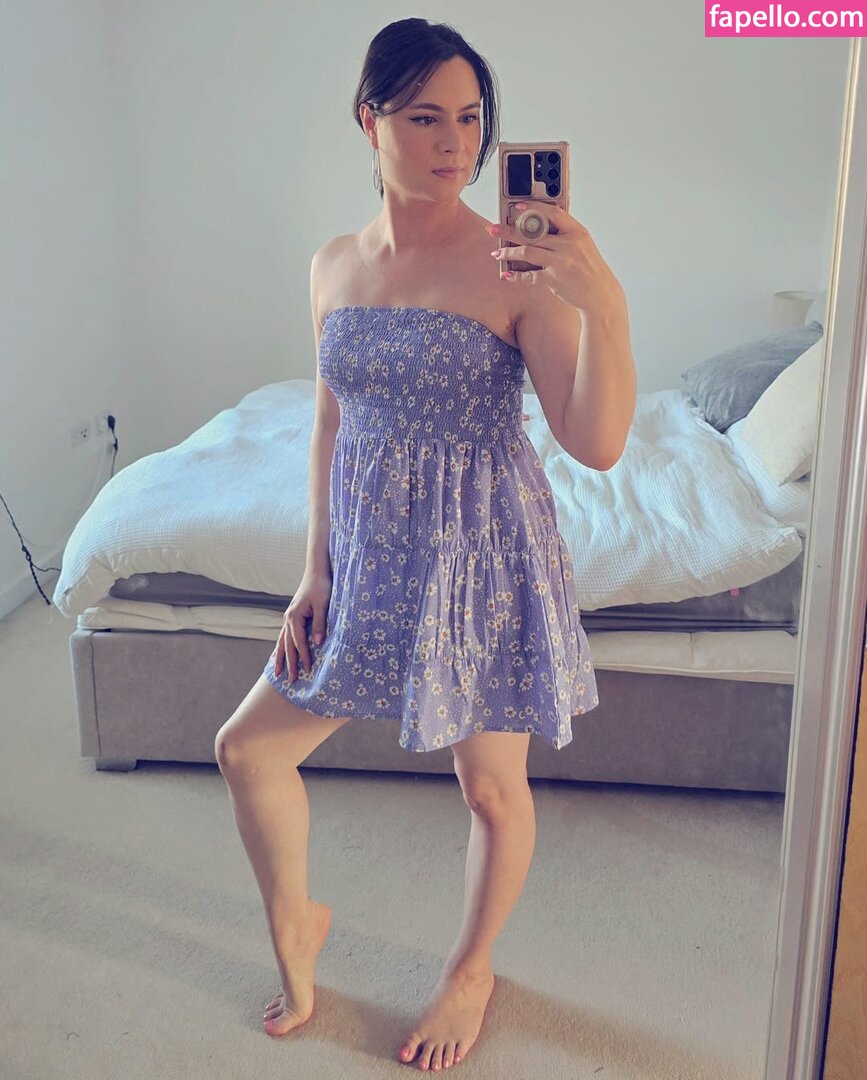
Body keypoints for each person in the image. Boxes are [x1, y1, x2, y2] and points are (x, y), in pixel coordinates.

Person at [214, 16, 636, 1072]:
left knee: (489, 789)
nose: (455, 144)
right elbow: (332, 419)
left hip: (480, 553)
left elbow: (595, 443)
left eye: (470, 119)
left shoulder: (514, 267)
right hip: (365, 557)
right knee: (247, 749)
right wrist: (313, 569)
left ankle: (470, 970)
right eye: (423, 118)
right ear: (369, 121)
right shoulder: (331, 265)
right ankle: (297, 926)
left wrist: (605, 306)